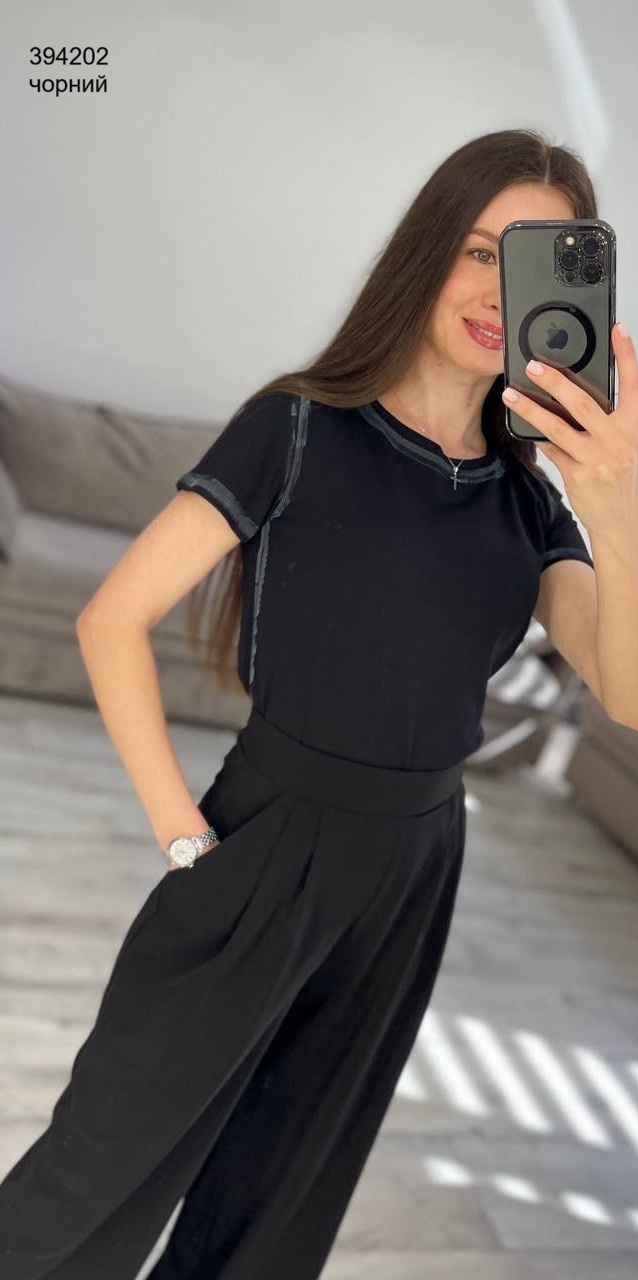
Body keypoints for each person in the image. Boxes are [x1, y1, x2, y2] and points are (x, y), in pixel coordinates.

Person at [0, 128, 596, 1279]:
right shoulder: (298, 425)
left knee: (278, 1210)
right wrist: (185, 839)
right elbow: (110, 619)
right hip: (263, 843)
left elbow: (630, 687)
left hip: (415, 871)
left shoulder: (534, 502)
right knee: (92, 1177)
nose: (495, 290)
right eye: (479, 249)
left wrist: (612, 487)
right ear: (429, 250)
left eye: (528, 264)